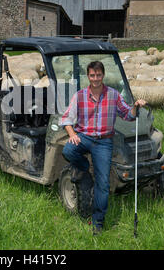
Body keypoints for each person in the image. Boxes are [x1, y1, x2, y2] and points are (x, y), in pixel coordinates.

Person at [59, 61, 146, 235]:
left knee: (103, 184)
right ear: (88, 76)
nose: (95, 78)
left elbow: (128, 115)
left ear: (103, 75)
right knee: (68, 150)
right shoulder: (80, 96)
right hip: (84, 137)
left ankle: (98, 221)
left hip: (104, 141)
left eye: (98, 75)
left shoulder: (113, 95)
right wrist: (72, 134)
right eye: (92, 75)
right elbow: (66, 119)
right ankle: (84, 166)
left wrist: (135, 107)